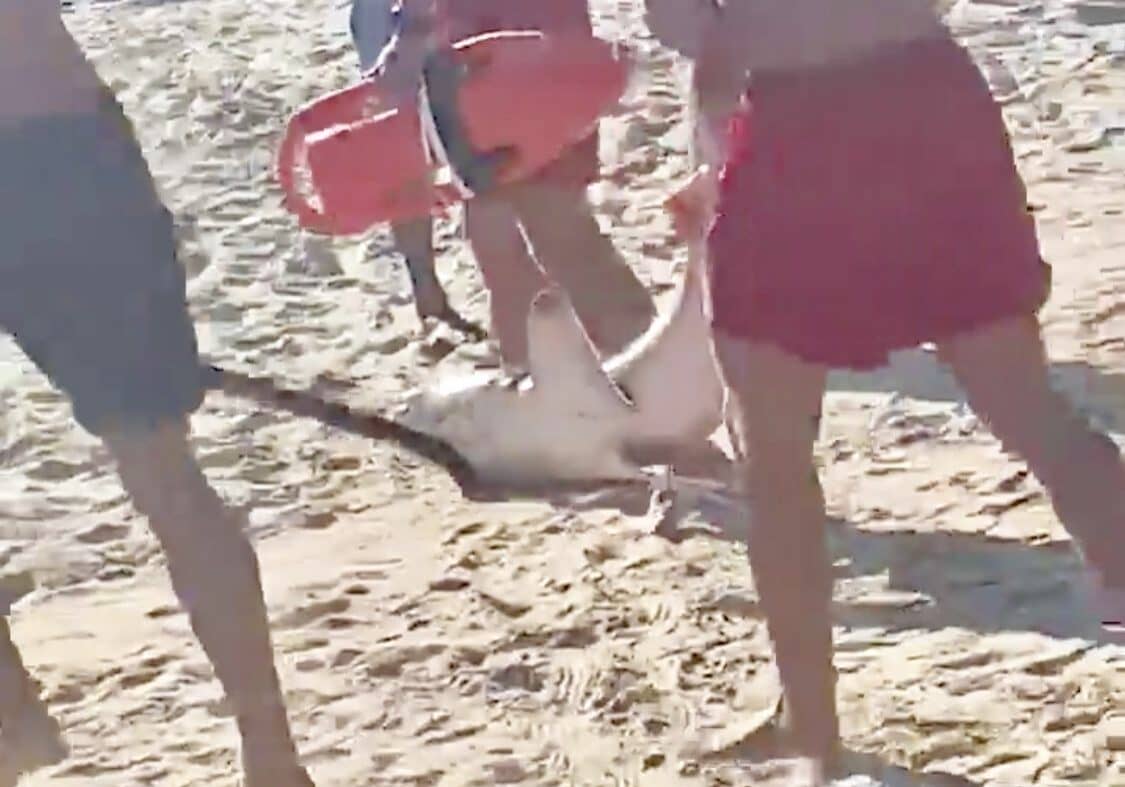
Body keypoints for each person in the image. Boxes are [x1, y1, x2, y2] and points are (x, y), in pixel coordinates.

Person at [647, 0, 1125, 783]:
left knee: (771, 451)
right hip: (926, 95)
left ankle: (813, 733)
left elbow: (704, 34)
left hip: (801, 125)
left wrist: (711, 155)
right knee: (1026, 404)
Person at [0, 4, 313, 785]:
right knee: (164, 474)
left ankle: (15, 723)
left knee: (165, 474)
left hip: (54, 153)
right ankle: (269, 753)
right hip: (58, 148)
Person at [350, 0, 657, 371]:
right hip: (473, 65)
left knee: (555, 224)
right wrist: (409, 34)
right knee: (498, 240)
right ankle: (527, 369)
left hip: (530, 59)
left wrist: (412, 34)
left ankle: (643, 353)